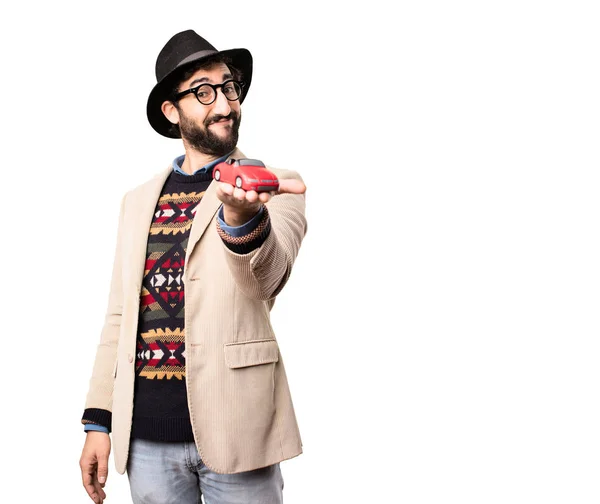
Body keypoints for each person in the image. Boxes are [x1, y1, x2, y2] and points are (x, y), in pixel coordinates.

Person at [78, 29, 307, 504]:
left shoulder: (272, 186)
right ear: (171, 110)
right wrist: (99, 420)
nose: (224, 104)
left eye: (229, 87)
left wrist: (242, 217)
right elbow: (120, 316)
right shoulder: (137, 201)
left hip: (239, 431)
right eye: (204, 92)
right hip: (146, 440)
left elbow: (268, 277)